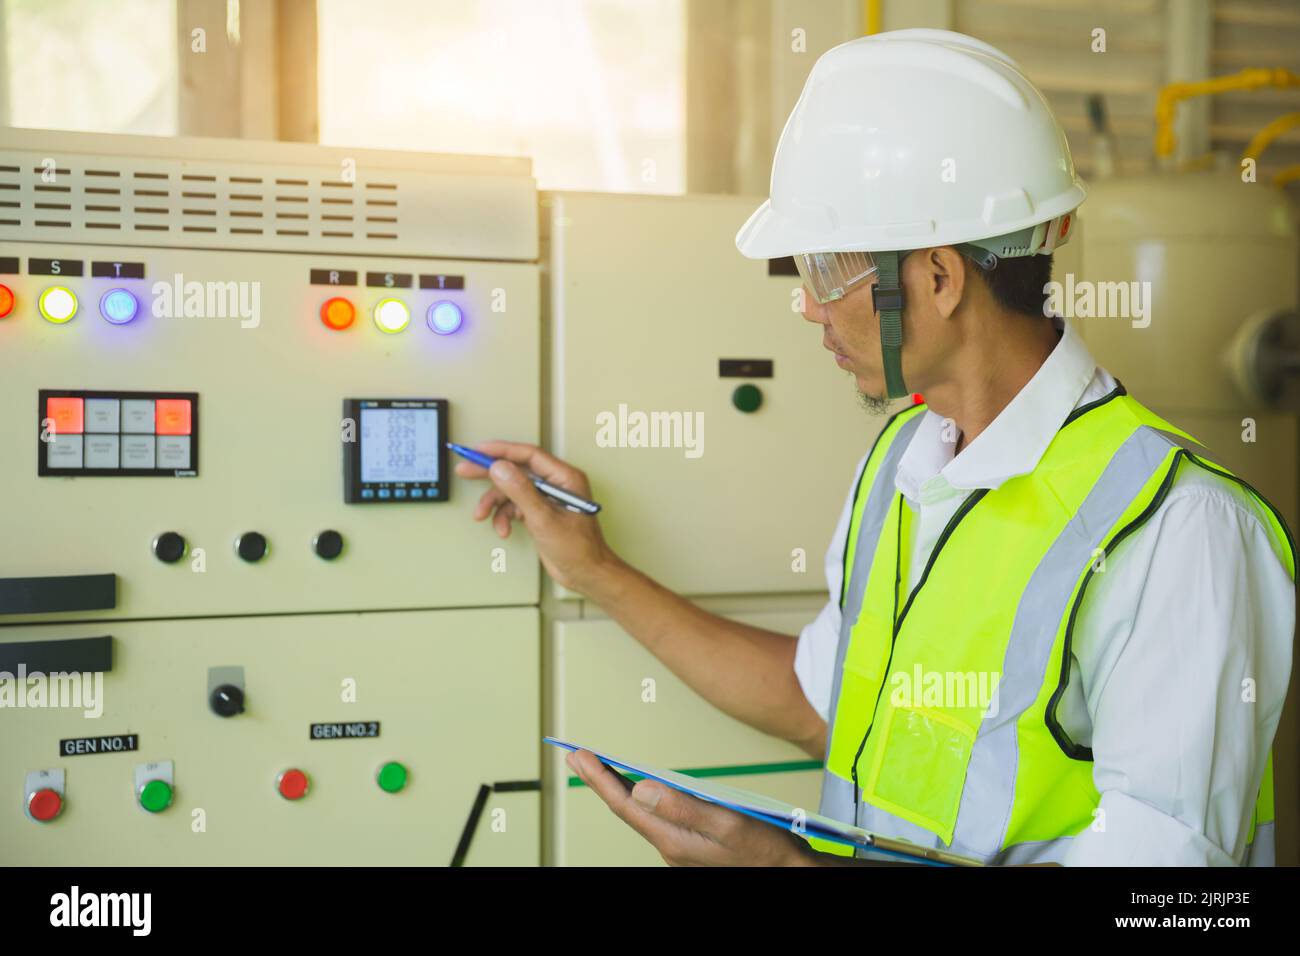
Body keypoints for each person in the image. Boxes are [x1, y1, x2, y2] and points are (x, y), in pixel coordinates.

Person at [456, 29, 1296, 866]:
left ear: (938, 277)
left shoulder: (1182, 527)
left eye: (826, 272)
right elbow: (819, 705)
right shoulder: (903, 461)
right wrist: (595, 571)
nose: (808, 306)